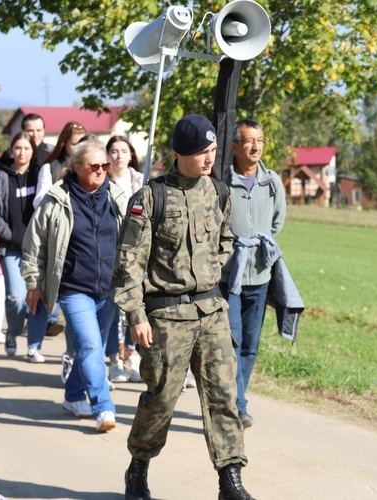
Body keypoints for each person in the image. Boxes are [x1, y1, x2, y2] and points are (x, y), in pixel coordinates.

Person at [112, 114, 254, 500]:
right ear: (179, 153)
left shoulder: (219, 192)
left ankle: (231, 478)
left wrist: (206, 274)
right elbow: (129, 262)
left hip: (210, 312)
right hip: (166, 318)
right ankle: (138, 468)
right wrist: (136, 314)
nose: (209, 159)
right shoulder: (150, 197)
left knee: (224, 396)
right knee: (161, 399)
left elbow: (226, 241)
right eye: (201, 153)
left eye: (212, 151)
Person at [22, 137, 127, 432]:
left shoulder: (116, 197)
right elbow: (34, 244)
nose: (102, 170)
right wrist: (34, 283)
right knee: (92, 344)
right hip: (72, 287)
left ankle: (72, 396)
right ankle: (103, 407)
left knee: (88, 347)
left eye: (105, 165)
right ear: (77, 166)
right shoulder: (56, 199)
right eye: (95, 165)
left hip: (108, 288)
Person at [219, 119, 286, 428]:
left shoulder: (271, 182)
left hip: (260, 275)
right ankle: (238, 405)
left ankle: (234, 399)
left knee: (250, 344)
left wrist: (257, 246)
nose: (255, 146)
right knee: (232, 342)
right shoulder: (222, 181)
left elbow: (276, 223)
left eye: (259, 140)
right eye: (248, 141)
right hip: (228, 278)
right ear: (235, 146)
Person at [0, 132, 50, 362]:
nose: (22, 152)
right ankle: (13, 333)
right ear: (11, 150)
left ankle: (34, 346)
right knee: (15, 296)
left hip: (39, 248)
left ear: (33, 151)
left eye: (26, 148)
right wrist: (10, 234)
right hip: (11, 247)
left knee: (39, 296)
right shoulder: (0, 177)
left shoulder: (40, 175)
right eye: (18, 148)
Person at [105, 135, 144, 385]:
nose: (119, 155)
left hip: (135, 251)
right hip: (109, 251)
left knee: (132, 304)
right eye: (114, 151)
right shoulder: (101, 181)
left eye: (123, 151)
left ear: (131, 155)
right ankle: (113, 359)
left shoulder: (141, 181)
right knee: (111, 308)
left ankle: (132, 355)